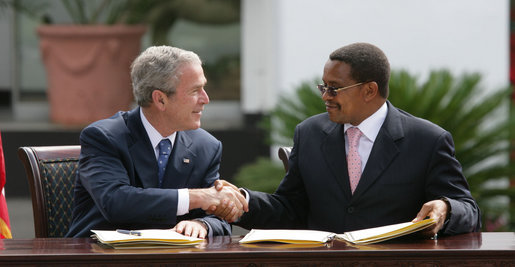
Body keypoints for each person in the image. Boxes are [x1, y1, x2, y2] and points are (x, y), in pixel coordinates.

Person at [214, 42, 481, 237]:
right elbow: (290, 208)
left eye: (335, 88)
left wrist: (446, 207)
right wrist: (243, 200)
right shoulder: (309, 133)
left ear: (369, 90)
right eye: (323, 86)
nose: (325, 96)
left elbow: (468, 209)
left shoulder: (427, 140)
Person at [66, 46, 247, 238]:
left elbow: (219, 217)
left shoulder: (206, 146)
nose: (206, 99)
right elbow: (116, 202)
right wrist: (198, 197)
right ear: (160, 100)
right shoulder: (104, 137)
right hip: (100, 258)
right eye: (195, 90)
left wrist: (202, 224)